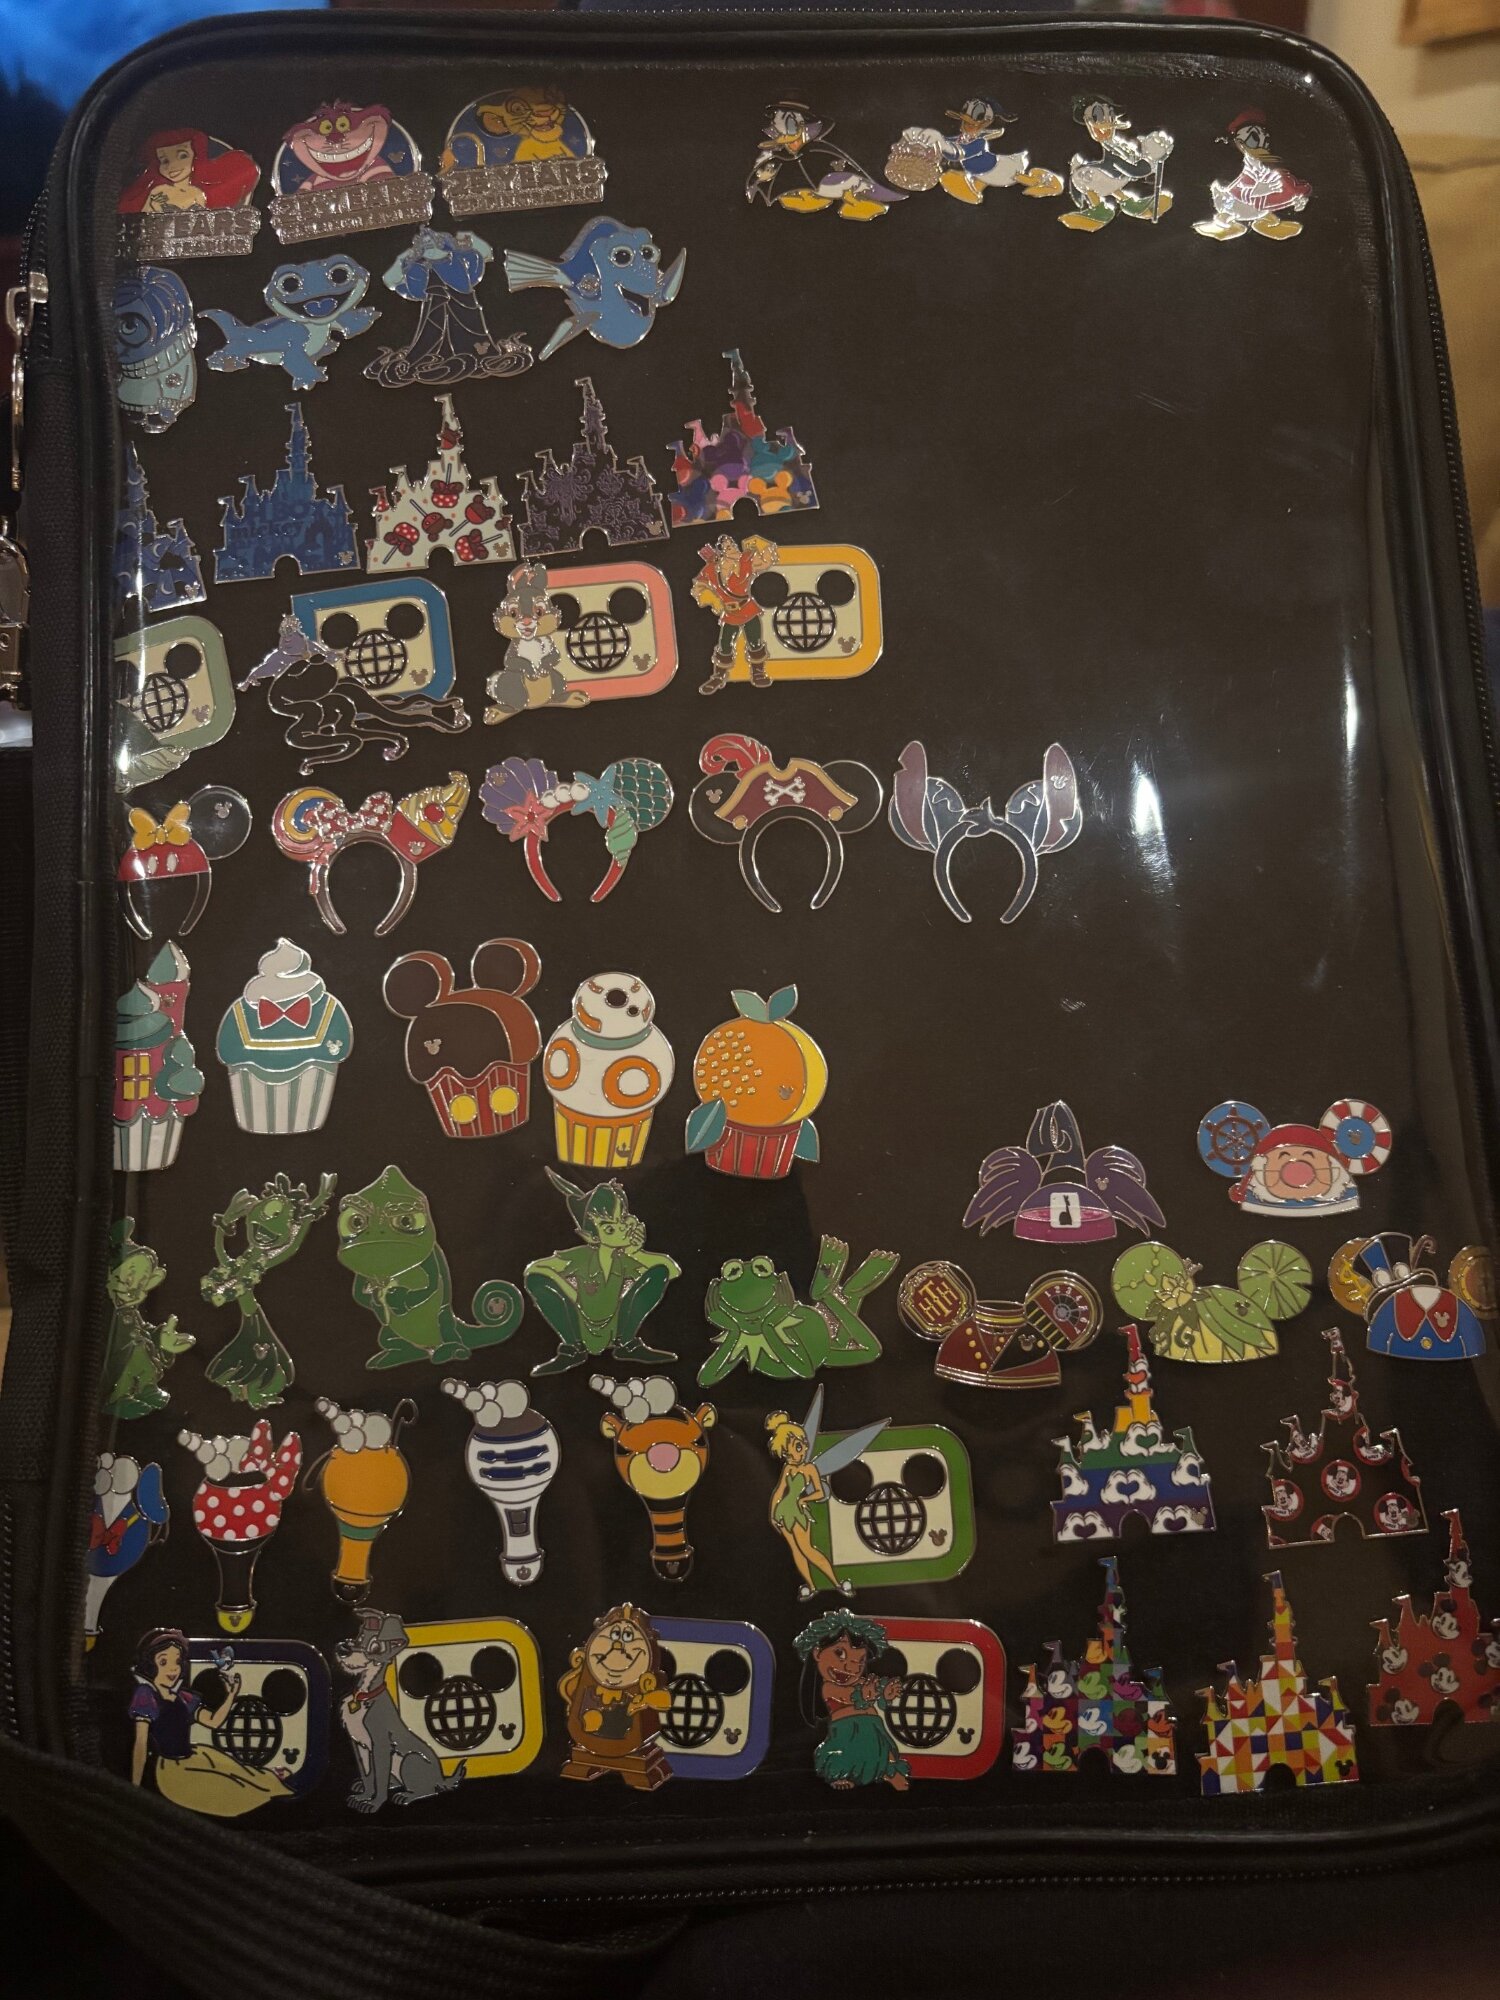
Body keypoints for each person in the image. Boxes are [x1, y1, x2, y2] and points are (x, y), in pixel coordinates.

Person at [128, 1627, 292, 1817]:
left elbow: (213, 1722)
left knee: (238, 1770)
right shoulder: (146, 1694)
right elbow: (140, 1744)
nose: (173, 1668)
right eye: (163, 1662)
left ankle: (269, 1779)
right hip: (171, 1771)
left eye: (177, 1661)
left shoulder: (183, 1697)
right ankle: (269, 1789)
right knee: (231, 1791)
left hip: (194, 1755)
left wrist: (231, 1695)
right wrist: (134, 1790)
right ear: (150, 1665)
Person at [794, 1611, 911, 1791]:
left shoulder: (862, 1682)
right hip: (848, 1730)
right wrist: (864, 1694)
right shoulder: (828, 1687)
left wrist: (886, 1694)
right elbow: (847, 1696)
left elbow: (874, 1696)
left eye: (860, 1660)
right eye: (840, 1653)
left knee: (884, 1751)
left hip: (874, 1726)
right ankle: (839, 1774)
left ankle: (889, 1772)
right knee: (847, 1754)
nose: (852, 1667)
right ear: (817, 1653)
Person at [767, 1410, 852, 1600]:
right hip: (783, 1512)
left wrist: (804, 1500)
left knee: (808, 1549)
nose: (803, 1449)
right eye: (797, 1446)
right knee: (796, 1551)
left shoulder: (809, 1468)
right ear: (785, 1450)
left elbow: (820, 1492)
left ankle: (836, 1583)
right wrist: (772, 1514)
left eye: (803, 1444)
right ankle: (812, 1586)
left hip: (798, 1512)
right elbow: (779, 1492)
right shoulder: (788, 1468)